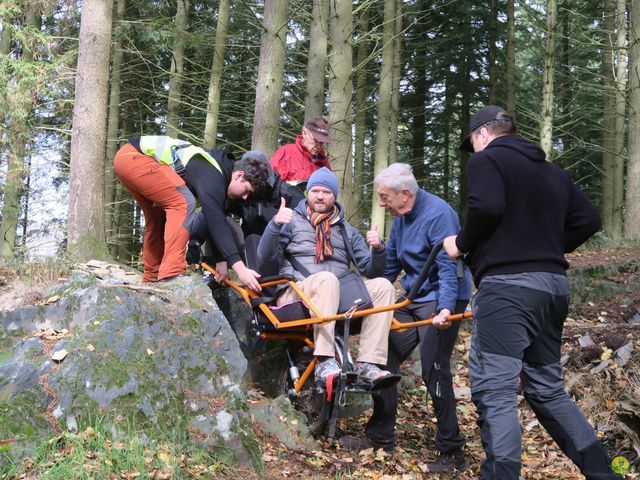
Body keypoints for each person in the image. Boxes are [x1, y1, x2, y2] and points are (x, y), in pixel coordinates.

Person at [443, 105, 619, 479]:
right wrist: (546, 247)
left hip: (508, 292)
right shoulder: (552, 172)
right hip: (552, 289)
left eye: (473, 143)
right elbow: (589, 220)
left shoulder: (486, 161)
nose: (474, 151)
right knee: (547, 389)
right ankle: (604, 474)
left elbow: (487, 207)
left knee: (496, 390)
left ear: (483, 134)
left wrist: (461, 243)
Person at [339, 163, 471, 470]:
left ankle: (452, 450)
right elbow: (391, 267)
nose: (382, 203)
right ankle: (379, 435)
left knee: (434, 368)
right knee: (382, 356)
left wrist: (446, 310)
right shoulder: (400, 217)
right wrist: (368, 294)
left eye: (385, 197)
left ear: (405, 194)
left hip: (443, 296)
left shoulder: (439, 215)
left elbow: (450, 269)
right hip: (413, 296)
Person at [257, 167, 396, 386]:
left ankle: (368, 363)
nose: (320, 196)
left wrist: (378, 249)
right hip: (297, 292)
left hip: (337, 295)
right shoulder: (291, 220)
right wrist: (275, 225)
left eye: (326, 192)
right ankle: (324, 359)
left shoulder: (345, 230)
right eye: (315, 191)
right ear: (308, 193)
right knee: (327, 279)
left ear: (335, 196)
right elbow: (263, 259)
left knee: (383, 286)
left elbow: (371, 271)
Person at [113, 135, 270, 289]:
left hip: (126, 158)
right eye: (247, 191)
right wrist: (241, 270)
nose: (244, 197)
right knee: (183, 203)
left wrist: (221, 261)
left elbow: (215, 219)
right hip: (136, 158)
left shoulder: (216, 173)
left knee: (158, 217)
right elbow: (217, 222)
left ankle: (152, 276)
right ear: (239, 176)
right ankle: (171, 273)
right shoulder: (213, 176)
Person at [188, 151, 306, 281]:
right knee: (220, 219)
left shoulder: (286, 192)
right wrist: (215, 255)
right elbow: (213, 215)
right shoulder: (238, 191)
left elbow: (306, 221)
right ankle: (210, 270)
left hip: (278, 248)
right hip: (247, 247)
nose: (246, 196)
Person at [270, 117, 332, 182]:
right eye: (315, 140)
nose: (318, 146)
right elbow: (271, 182)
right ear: (304, 133)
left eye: (322, 142)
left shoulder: (324, 163)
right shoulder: (286, 153)